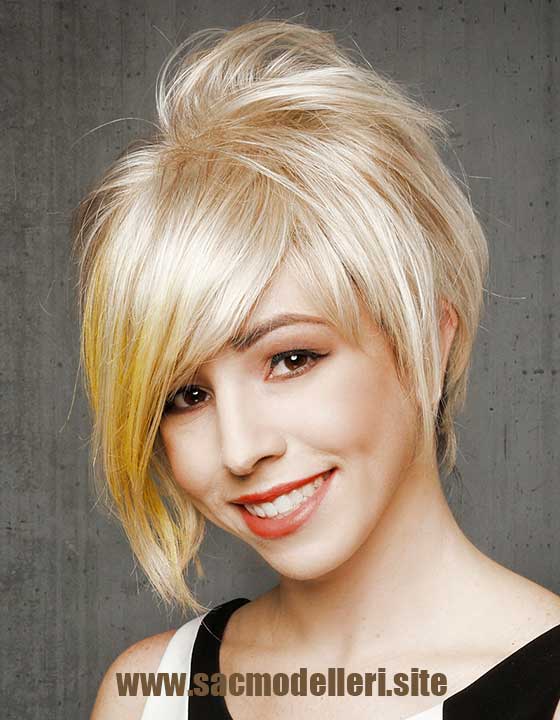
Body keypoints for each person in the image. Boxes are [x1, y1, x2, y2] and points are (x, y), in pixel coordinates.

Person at [76, 19, 560, 720]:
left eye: (291, 359)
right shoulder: (153, 692)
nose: (241, 449)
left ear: (429, 341)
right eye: (186, 394)